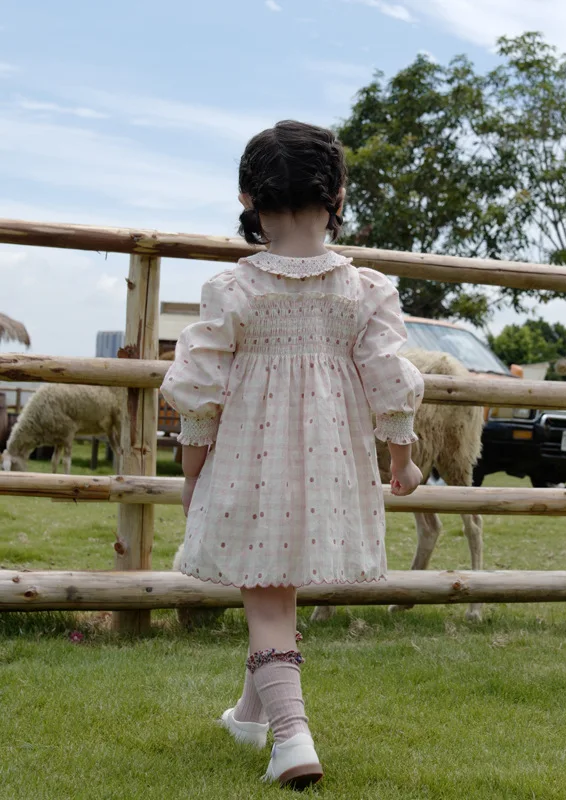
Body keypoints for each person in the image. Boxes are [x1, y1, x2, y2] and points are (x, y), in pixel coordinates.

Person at [160, 120, 424, 790]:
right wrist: (401, 460)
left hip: (252, 466)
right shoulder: (366, 291)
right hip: (328, 468)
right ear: (338, 192)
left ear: (248, 197)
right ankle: (250, 715)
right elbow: (388, 376)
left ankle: (290, 736)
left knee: (269, 599)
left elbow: (199, 392)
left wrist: (194, 477)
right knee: (279, 589)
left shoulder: (236, 291)